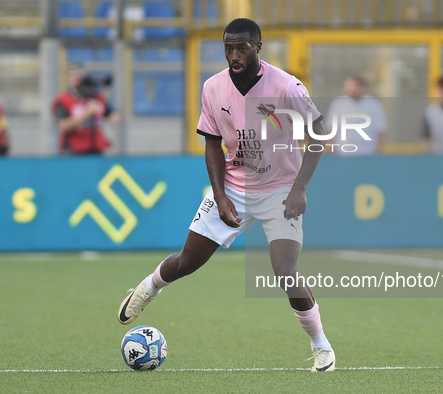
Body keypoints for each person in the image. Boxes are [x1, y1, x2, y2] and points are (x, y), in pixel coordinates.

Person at [117, 18, 335, 372]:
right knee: (188, 261)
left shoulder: (286, 87)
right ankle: (148, 288)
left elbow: (319, 136)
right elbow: (212, 144)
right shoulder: (213, 87)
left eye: (242, 48)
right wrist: (220, 195)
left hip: (280, 189)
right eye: (228, 48)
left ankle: (321, 345)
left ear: (258, 47)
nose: (234, 55)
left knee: (286, 271)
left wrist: (299, 188)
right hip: (234, 186)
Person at [51, 64, 120, 154]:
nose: (77, 78)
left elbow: (111, 113)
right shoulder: (64, 99)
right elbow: (62, 126)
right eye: (73, 75)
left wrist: (115, 118)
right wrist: (86, 114)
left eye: (79, 75)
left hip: (96, 148)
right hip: (73, 150)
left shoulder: (96, 96)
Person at [325, 76, 387, 155]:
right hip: (343, 154)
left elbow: (381, 130)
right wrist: (332, 152)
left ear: (364, 88)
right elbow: (330, 129)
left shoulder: (374, 104)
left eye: (355, 86)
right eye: (349, 86)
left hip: (368, 155)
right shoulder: (338, 104)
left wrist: (377, 153)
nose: (351, 89)